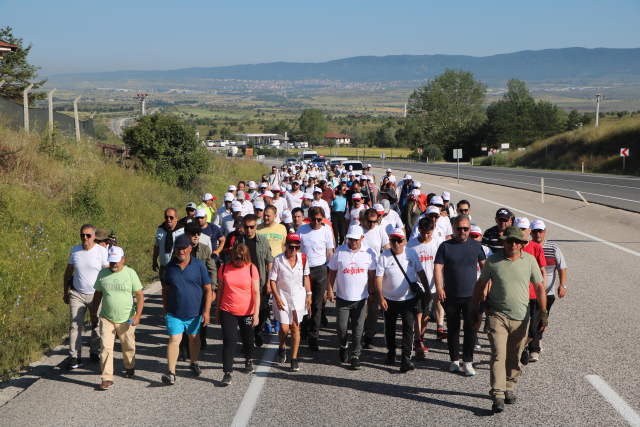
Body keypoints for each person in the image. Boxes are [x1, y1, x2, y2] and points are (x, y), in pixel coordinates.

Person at [471, 226, 547, 413]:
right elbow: (480, 285)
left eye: (516, 241)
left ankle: (509, 387)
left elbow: (539, 287)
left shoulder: (529, 261)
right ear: (504, 242)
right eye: (509, 241)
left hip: (522, 317)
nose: (513, 244)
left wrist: (543, 313)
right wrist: (474, 311)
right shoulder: (492, 261)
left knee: (514, 356)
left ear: (522, 244)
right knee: (498, 354)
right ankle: (497, 393)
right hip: (497, 315)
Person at [434, 214, 487, 376]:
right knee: (453, 328)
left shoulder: (476, 246)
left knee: (470, 328)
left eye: (465, 228)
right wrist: (438, 287)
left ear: (469, 229)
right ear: (454, 229)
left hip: (471, 295)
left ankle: (468, 361)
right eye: (459, 228)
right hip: (451, 294)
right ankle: (454, 360)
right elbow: (438, 267)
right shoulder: (445, 246)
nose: (462, 231)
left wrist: (485, 287)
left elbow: (484, 267)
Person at [161, 234, 213, 385]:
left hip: (195, 312)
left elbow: (208, 290)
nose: (181, 251)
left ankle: (193, 362)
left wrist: (207, 311)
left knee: (194, 339)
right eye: (178, 249)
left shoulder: (199, 265)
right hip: (174, 313)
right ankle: (171, 372)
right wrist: (165, 309)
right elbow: (165, 290)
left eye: (184, 248)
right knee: (174, 339)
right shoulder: (170, 267)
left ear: (190, 248)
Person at [375, 228, 430, 373]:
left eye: (399, 240)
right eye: (393, 240)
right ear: (390, 241)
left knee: (408, 329)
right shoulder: (383, 257)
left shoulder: (411, 253)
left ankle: (406, 358)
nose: (396, 243)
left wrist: (428, 292)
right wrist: (380, 297)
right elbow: (378, 279)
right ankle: (391, 352)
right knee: (390, 328)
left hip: (409, 300)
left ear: (404, 241)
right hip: (389, 299)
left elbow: (421, 273)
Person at [91, 247, 144, 390]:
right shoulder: (102, 274)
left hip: (127, 318)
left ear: (123, 259)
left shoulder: (130, 273)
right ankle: (107, 378)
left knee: (128, 345)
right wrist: (93, 313)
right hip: (107, 317)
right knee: (106, 347)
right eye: (112, 261)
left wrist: (137, 316)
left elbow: (139, 295)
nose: (114, 264)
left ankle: (129, 366)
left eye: (117, 261)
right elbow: (97, 294)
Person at [327, 225, 377, 370]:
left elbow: (372, 275)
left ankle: (355, 355)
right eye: (350, 238)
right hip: (342, 298)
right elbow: (332, 272)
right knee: (341, 327)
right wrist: (330, 290)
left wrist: (372, 294)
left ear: (362, 238)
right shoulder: (339, 251)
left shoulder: (369, 253)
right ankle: (343, 346)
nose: (353, 241)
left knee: (358, 329)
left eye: (356, 239)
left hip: (361, 299)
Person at [63, 224, 109, 369]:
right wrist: (65, 292)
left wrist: (106, 295)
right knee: (74, 325)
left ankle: (94, 352)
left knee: (96, 325)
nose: (85, 238)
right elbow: (68, 271)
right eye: (82, 235)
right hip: (77, 293)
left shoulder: (101, 251)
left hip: (96, 294)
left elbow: (106, 274)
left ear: (94, 236)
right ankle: (74, 356)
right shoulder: (75, 250)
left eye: (88, 235)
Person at [216, 244, 260, 386]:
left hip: (247, 311)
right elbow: (220, 290)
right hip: (228, 310)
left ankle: (248, 359)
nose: (238, 261)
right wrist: (217, 310)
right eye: (235, 258)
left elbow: (256, 293)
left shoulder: (252, 269)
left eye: (241, 258)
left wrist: (256, 314)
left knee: (248, 339)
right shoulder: (224, 268)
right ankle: (227, 373)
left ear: (246, 257)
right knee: (230, 341)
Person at [176, 223, 218, 361]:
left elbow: (212, 270)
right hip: (183, 292)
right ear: (186, 235)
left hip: (200, 292)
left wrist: (212, 289)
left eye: (198, 233)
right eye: (193, 233)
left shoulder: (205, 249)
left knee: (200, 320)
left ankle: (200, 339)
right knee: (182, 321)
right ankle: (183, 351)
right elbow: (173, 268)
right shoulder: (179, 250)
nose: (196, 236)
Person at [269, 234, 311, 372]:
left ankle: (294, 358)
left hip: (298, 297)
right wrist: (277, 297)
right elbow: (272, 280)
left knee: (295, 327)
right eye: (291, 247)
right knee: (284, 328)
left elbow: (306, 278)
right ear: (286, 246)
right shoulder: (278, 260)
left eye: (296, 247)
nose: (294, 250)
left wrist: (309, 294)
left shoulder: (303, 259)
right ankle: (282, 346)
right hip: (282, 296)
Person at [297, 206, 335, 351]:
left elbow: (330, 252)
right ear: (309, 218)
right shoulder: (302, 229)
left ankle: (314, 337)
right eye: (314, 219)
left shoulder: (326, 231)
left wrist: (331, 271)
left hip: (320, 269)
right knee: (304, 301)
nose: (317, 222)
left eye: (320, 219)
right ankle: (304, 326)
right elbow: (297, 250)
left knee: (318, 305)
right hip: (304, 270)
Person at [233, 214, 274, 347]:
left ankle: (258, 331)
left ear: (256, 225)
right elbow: (233, 262)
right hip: (243, 284)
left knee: (261, 310)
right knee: (245, 313)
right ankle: (247, 341)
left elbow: (269, 262)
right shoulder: (238, 242)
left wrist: (269, 281)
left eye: (251, 227)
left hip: (260, 283)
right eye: (246, 227)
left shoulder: (263, 241)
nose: (249, 230)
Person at [529, 219, 567, 362]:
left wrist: (562, 285)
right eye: (535, 231)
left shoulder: (553, 248)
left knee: (541, 318)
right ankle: (534, 349)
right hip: (531, 293)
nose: (538, 234)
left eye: (540, 231)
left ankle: (536, 339)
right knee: (535, 318)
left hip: (548, 293)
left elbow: (562, 268)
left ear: (544, 232)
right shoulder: (527, 247)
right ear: (530, 232)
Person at [406, 217, 442, 360]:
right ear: (418, 230)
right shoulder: (411, 245)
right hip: (416, 286)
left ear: (433, 230)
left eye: (428, 232)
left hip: (432, 287)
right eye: (423, 232)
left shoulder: (438, 244)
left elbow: (441, 266)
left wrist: (441, 284)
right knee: (418, 315)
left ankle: (421, 337)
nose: (425, 235)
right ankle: (417, 342)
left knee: (426, 315)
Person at [513, 217, 547, 366]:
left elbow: (542, 270)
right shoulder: (512, 247)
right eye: (518, 229)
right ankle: (516, 350)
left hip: (533, 296)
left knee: (533, 331)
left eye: (524, 229)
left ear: (529, 230)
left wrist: (543, 291)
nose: (522, 232)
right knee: (516, 328)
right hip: (517, 296)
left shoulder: (536, 248)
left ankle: (523, 346)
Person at [360, 209, 390, 349]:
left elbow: (387, 247)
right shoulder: (358, 230)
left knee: (372, 305)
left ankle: (369, 336)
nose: (372, 224)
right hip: (359, 273)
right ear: (363, 220)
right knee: (359, 304)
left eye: (374, 221)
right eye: (369, 222)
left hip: (376, 273)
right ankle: (358, 333)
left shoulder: (379, 230)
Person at [153, 208, 185, 285]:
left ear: (176, 218)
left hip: (178, 267)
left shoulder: (183, 231)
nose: (168, 219)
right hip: (164, 267)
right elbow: (157, 246)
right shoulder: (161, 229)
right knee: (165, 292)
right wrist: (154, 261)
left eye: (171, 217)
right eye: (166, 217)